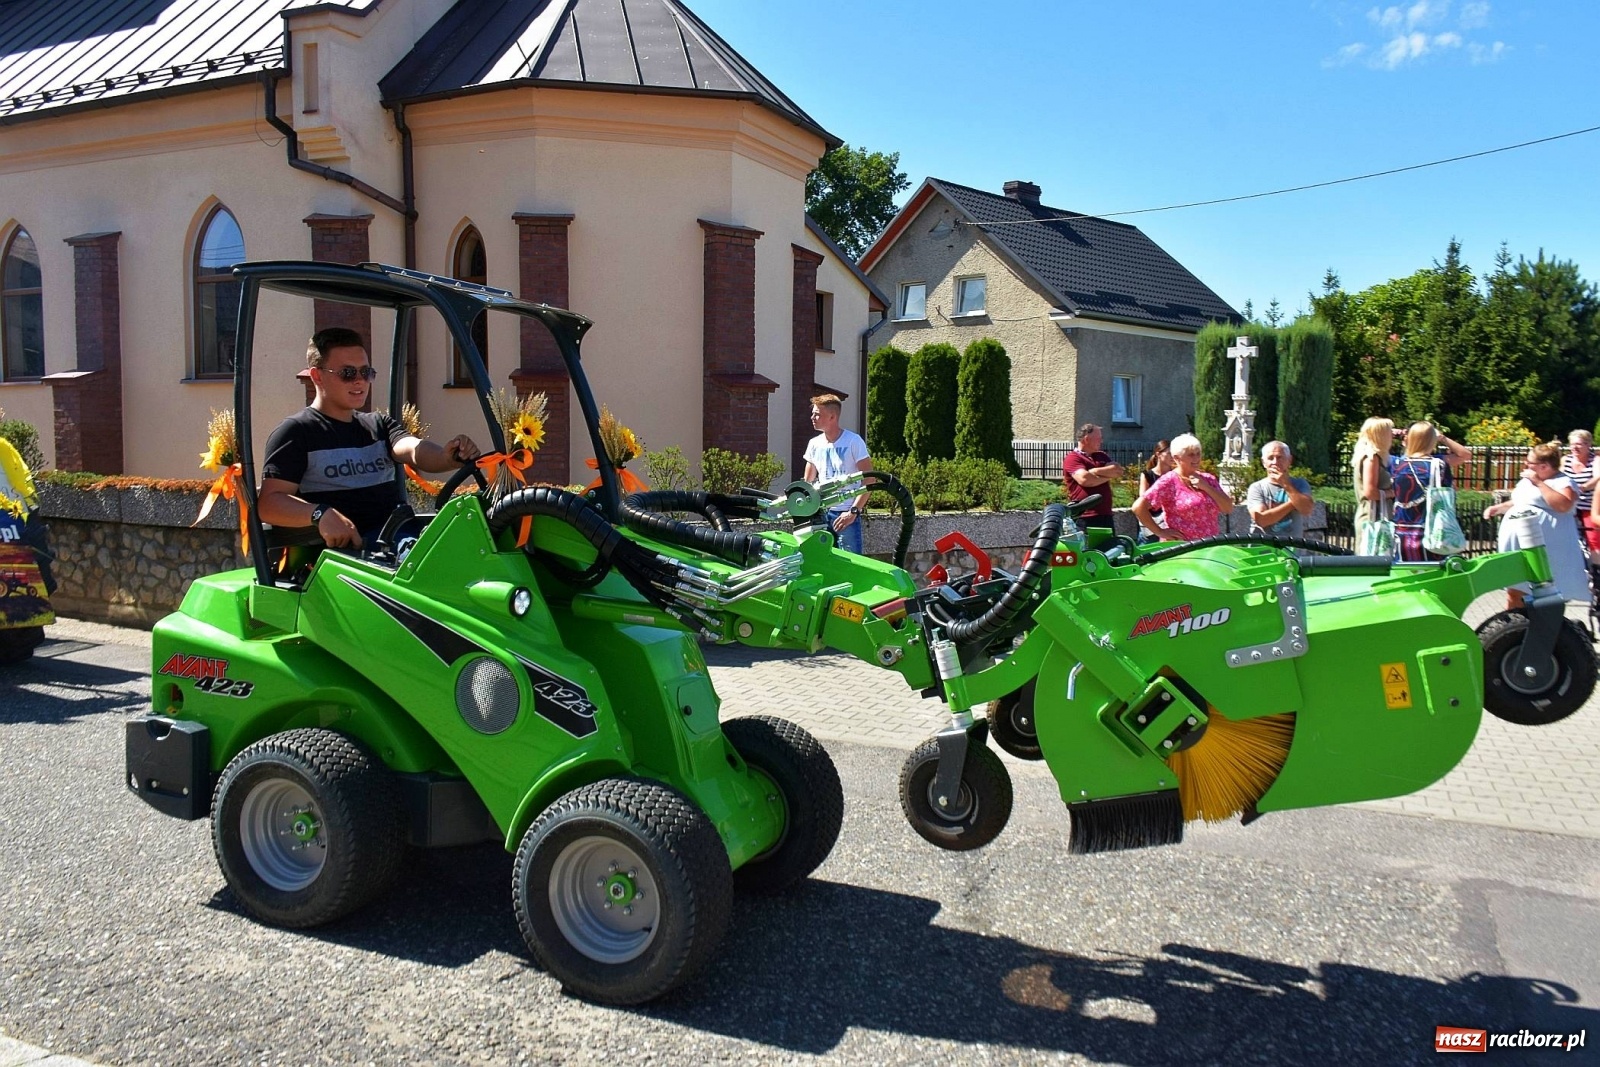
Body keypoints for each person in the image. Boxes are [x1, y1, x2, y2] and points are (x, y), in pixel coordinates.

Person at [259, 327, 482, 551]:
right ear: (317, 376)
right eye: (348, 373)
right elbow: (269, 504)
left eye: (365, 372)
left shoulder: (378, 425)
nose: (360, 381)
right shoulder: (296, 432)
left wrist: (445, 456)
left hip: (396, 540)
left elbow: (412, 449)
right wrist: (319, 514)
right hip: (346, 558)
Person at [1484, 442, 1589, 608]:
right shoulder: (1528, 481)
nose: (1525, 465)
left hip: (1547, 546)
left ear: (1544, 466)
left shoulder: (1563, 481)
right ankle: (1516, 627)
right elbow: (1522, 500)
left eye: (1529, 463)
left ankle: (1545, 627)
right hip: (1521, 544)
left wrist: (1539, 483)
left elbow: (1564, 505)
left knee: (1545, 593)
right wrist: (1498, 508)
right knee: (1515, 589)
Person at [1390, 421, 1470, 562]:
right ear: (1431, 440)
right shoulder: (1438, 465)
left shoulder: (1398, 465)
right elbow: (1464, 456)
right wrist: (1443, 438)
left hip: (1402, 532)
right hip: (1432, 532)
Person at [801, 393, 871, 554]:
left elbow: (869, 480)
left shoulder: (853, 441)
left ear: (832, 417)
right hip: (821, 514)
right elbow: (807, 482)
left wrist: (853, 512)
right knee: (824, 563)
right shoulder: (814, 444)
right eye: (813, 413)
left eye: (817, 414)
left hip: (846, 516)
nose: (812, 417)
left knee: (851, 564)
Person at [1132, 433, 1232, 542]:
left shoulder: (1208, 479)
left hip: (1208, 547)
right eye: (1190, 455)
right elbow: (1138, 507)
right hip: (1181, 549)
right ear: (1176, 458)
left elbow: (1228, 508)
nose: (1196, 458)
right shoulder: (1169, 481)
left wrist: (1206, 487)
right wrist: (1160, 531)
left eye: (1198, 453)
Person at [1247, 441, 1314, 538]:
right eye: (1270, 458)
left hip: (1293, 548)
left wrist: (1285, 484)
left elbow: (1306, 509)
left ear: (1289, 460)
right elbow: (1262, 520)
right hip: (1264, 549)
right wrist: (1293, 503)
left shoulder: (1300, 484)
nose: (1275, 462)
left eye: (1279, 457)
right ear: (1263, 462)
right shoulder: (1257, 487)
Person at [1062, 423, 1123, 530]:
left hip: (1106, 515)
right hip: (1085, 517)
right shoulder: (1073, 458)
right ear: (1086, 439)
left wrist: (1094, 471)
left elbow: (1117, 471)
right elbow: (1085, 480)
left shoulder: (1101, 456)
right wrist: (1107, 475)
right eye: (1098, 438)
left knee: (1108, 546)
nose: (1101, 441)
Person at [1351, 417, 1395, 526]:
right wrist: (1392, 493)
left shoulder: (1369, 456)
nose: (1392, 436)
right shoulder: (1371, 458)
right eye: (1389, 432)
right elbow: (1370, 492)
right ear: (1381, 435)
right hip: (1372, 517)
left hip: (1374, 515)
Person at [1562, 429, 1600, 552]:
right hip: (1569, 505)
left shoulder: (1596, 460)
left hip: (1589, 505)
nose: (1574, 447)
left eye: (1578, 444)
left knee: (1593, 536)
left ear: (1588, 445)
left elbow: (1598, 477)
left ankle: (1596, 566)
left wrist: (1581, 488)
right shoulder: (1565, 460)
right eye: (1572, 444)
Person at [1136, 440, 1174, 543]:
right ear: (1158, 454)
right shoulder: (1147, 475)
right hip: (1151, 527)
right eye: (1169, 453)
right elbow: (1143, 501)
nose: (1173, 457)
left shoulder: (1175, 475)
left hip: (1171, 526)